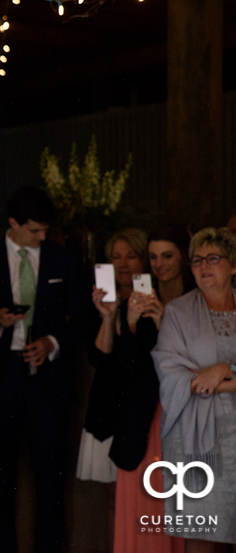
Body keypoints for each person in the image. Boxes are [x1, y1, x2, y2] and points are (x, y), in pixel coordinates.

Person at [0, 186, 88, 553]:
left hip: (49, 380)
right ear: (13, 223)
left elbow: (82, 317)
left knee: (50, 477)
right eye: (34, 230)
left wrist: (53, 343)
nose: (41, 237)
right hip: (1, 377)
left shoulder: (62, 260)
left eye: (45, 230)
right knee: (0, 476)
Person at [152, 227, 236, 551]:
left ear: (233, 266)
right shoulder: (178, 311)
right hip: (195, 439)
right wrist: (214, 380)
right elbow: (170, 372)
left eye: (213, 258)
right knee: (200, 535)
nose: (203, 266)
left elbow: (209, 377)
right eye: (198, 260)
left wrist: (224, 371)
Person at [114, 226, 191, 553]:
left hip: (186, 413)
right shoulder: (139, 301)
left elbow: (193, 365)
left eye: (168, 256)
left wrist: (164, 325)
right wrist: (130, 323)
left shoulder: (196, 301)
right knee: (148, 501)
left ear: (183, 258)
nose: (159, 264)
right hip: (144, 417)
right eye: (154, 257)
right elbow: (129, 369)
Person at [77, 229, 148, 552]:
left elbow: (140, 359)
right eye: (116, 257)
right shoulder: (101, 301)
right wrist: (108, 317)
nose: (122, 264)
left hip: (141, 409)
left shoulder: (153, 300)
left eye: (130, 256)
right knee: (113, 498)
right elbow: (99, 359)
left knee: (143, 499)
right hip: (107, 405)